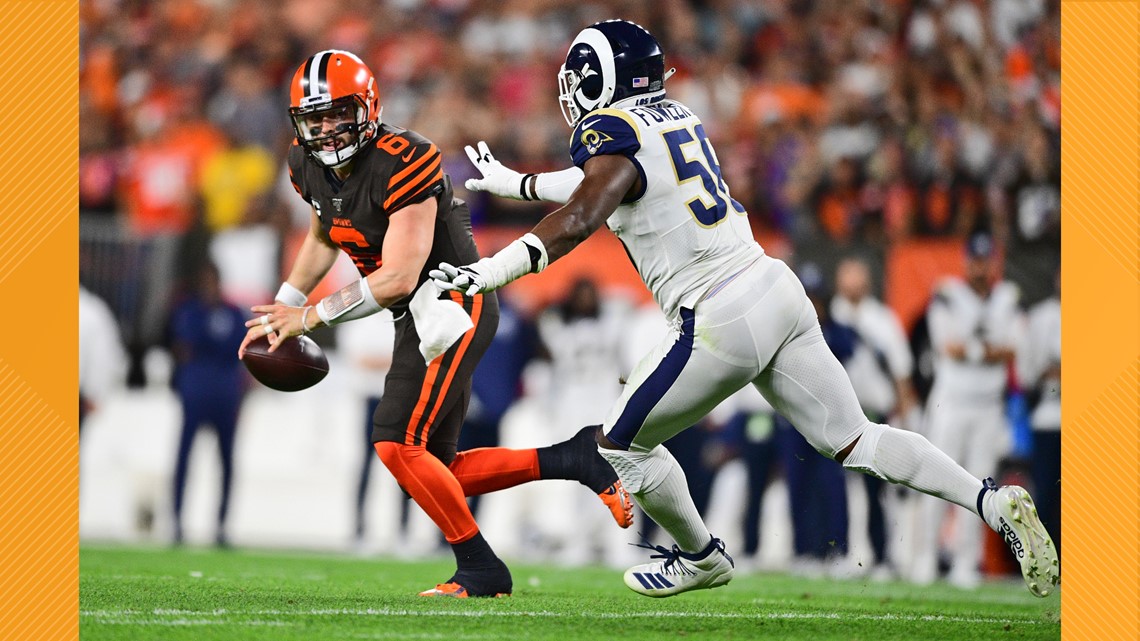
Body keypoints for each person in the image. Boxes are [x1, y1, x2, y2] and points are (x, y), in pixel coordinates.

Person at [431, 20, 1058, 598]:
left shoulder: (609, 131)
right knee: (856, 438)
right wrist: (517, 183)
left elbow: (587, 210)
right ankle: (990, 501)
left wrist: (488, 271)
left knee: (618, 449)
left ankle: (702, 556)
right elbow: (605, 183)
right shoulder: (673, 117)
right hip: (772, 286)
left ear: (594, 80)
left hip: (716, 312)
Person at [237, 50, 632, 598]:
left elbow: (399, 276)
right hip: (414, 319)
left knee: (395, 442)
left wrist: (309, 316)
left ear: (367, 108)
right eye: (314, 119)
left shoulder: (405, 157)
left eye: (336, 114)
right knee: (438, 467)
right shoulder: (305, 164)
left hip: (452, 305)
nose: (325, 130)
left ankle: (481, 569)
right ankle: (575, 457)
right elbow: (325, 234)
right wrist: (281, 306)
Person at [913, 232, 1023, 589]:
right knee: (935, 479)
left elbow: (1013, 349)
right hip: (952, 403)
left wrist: (975, 349)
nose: (980, 266)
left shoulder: (1008, 297)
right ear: (966, 261)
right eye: (975, 259)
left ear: (994, 261)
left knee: (981, 486)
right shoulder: (948, 294)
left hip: (988, 406)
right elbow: (949, 346)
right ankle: (925, 557)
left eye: (986, 259)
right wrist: (987, 349)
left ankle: (966, 561)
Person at [830, 257, 919, 578]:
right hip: (837, 413)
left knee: (876, 488)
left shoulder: (882, 319)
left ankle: (882, 556)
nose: (853, 285)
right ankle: (841, 553)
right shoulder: (829, 316)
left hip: (875, 413)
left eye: (858, 277)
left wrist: (907, 416)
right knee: (838, 489)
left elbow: (901, 371)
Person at [169, 261, 248, 546]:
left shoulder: (233, 312)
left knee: (226, 461)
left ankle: (222, 526)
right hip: (196, 392)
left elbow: (243, 351)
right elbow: (184, 346)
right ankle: (176, 521)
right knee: (184, 457)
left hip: (226, 395)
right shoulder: (189, 310)